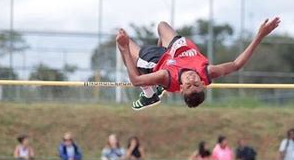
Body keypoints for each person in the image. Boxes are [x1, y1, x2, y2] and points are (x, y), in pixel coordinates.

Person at [115, 17, 281, 110]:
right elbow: (237, 64)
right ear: (203, 83)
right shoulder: (207, 72)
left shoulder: (167, 76)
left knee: (125, 44)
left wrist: (123, 49)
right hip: (172, 50)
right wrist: (260, 36)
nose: (192, 80)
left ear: (181, 88)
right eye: (196, 84)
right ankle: (155, 86)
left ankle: (149, 95)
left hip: (157, 62)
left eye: (188, 85)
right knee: (161, 25)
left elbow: (135, 81)